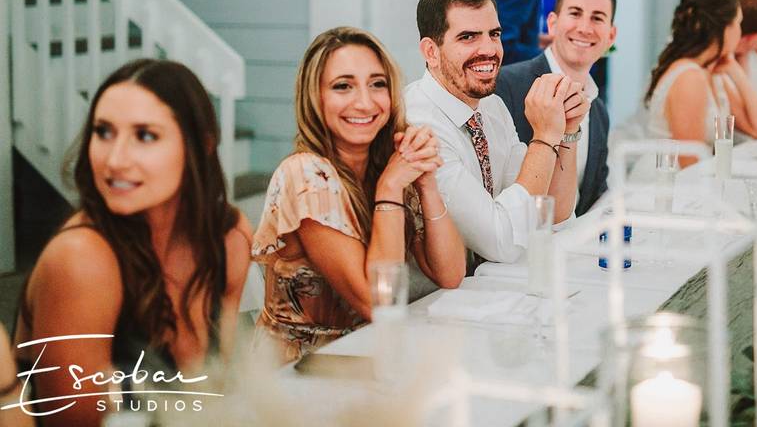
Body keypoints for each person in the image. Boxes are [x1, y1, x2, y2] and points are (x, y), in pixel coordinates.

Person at [13, 59, 252, 426]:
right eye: (103, 131)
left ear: (200, 147)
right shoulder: (82, 259)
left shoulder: (228, 239)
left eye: (145, 136)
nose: (115, 159)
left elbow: (222, 393)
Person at [252, 27, 465, 362]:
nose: (364, 102)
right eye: (343, 86)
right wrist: (391, 189)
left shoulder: (387, 166)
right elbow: (378, 303)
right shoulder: (304, 175)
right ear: (316, 97)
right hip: (299, 374)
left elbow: (450, 274)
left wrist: (425, 181)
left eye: (377, 84)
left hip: (370, 357)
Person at [405, 0, 588, 265]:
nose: (489, 49)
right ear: (431, 52)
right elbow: (503, 242)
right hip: (428, 301)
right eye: (468, 37)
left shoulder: (492, 106)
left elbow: (549, 217)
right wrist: (543, 137)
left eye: (494, 34)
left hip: (487, 291)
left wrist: (567, 131)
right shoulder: (417, 125)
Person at [496, 0, 616, 216]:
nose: (584, 28)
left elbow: (596, 198)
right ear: (552, 23)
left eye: (597, 18)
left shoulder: (599, 110)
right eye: (575, 13)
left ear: (610, 36)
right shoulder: (506, 85)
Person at [645, 0, 757, 166]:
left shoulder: (713, 73)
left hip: (694, 174)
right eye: (738, 23)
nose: (740, 31)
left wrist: (736, 72)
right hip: (665, 182)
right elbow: (689, 159)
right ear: (723, 28)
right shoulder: (689, 77)